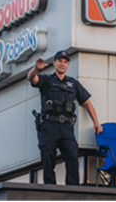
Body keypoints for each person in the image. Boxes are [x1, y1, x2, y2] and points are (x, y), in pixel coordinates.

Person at [27, 50, 103, 185]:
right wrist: (35, 69)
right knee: (48, 159)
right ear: (54, 63)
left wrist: (96, 122)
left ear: (68, 65)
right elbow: (31, 78)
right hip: (49, 126)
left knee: (73, 157)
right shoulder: (46, 80)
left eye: (65, 62)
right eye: (60, 61)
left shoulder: (73, 83)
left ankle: (72, 191)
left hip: (67, 127)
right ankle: (50, 190)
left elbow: (87, 102)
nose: (62, 64)